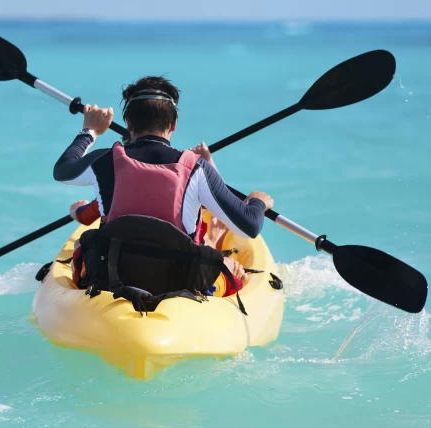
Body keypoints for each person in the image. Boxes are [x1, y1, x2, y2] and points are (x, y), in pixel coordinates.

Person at [53, 76, 274, 292]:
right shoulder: (197, 168)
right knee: (226, 263)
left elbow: (62, 171)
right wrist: (257, 203)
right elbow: (250, 227)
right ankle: (213, 242)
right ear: (174, 123)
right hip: (180, 283)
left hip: (109, 277)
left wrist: (90, 130)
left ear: (128, 121)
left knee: (81, 247)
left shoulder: (104, 160)